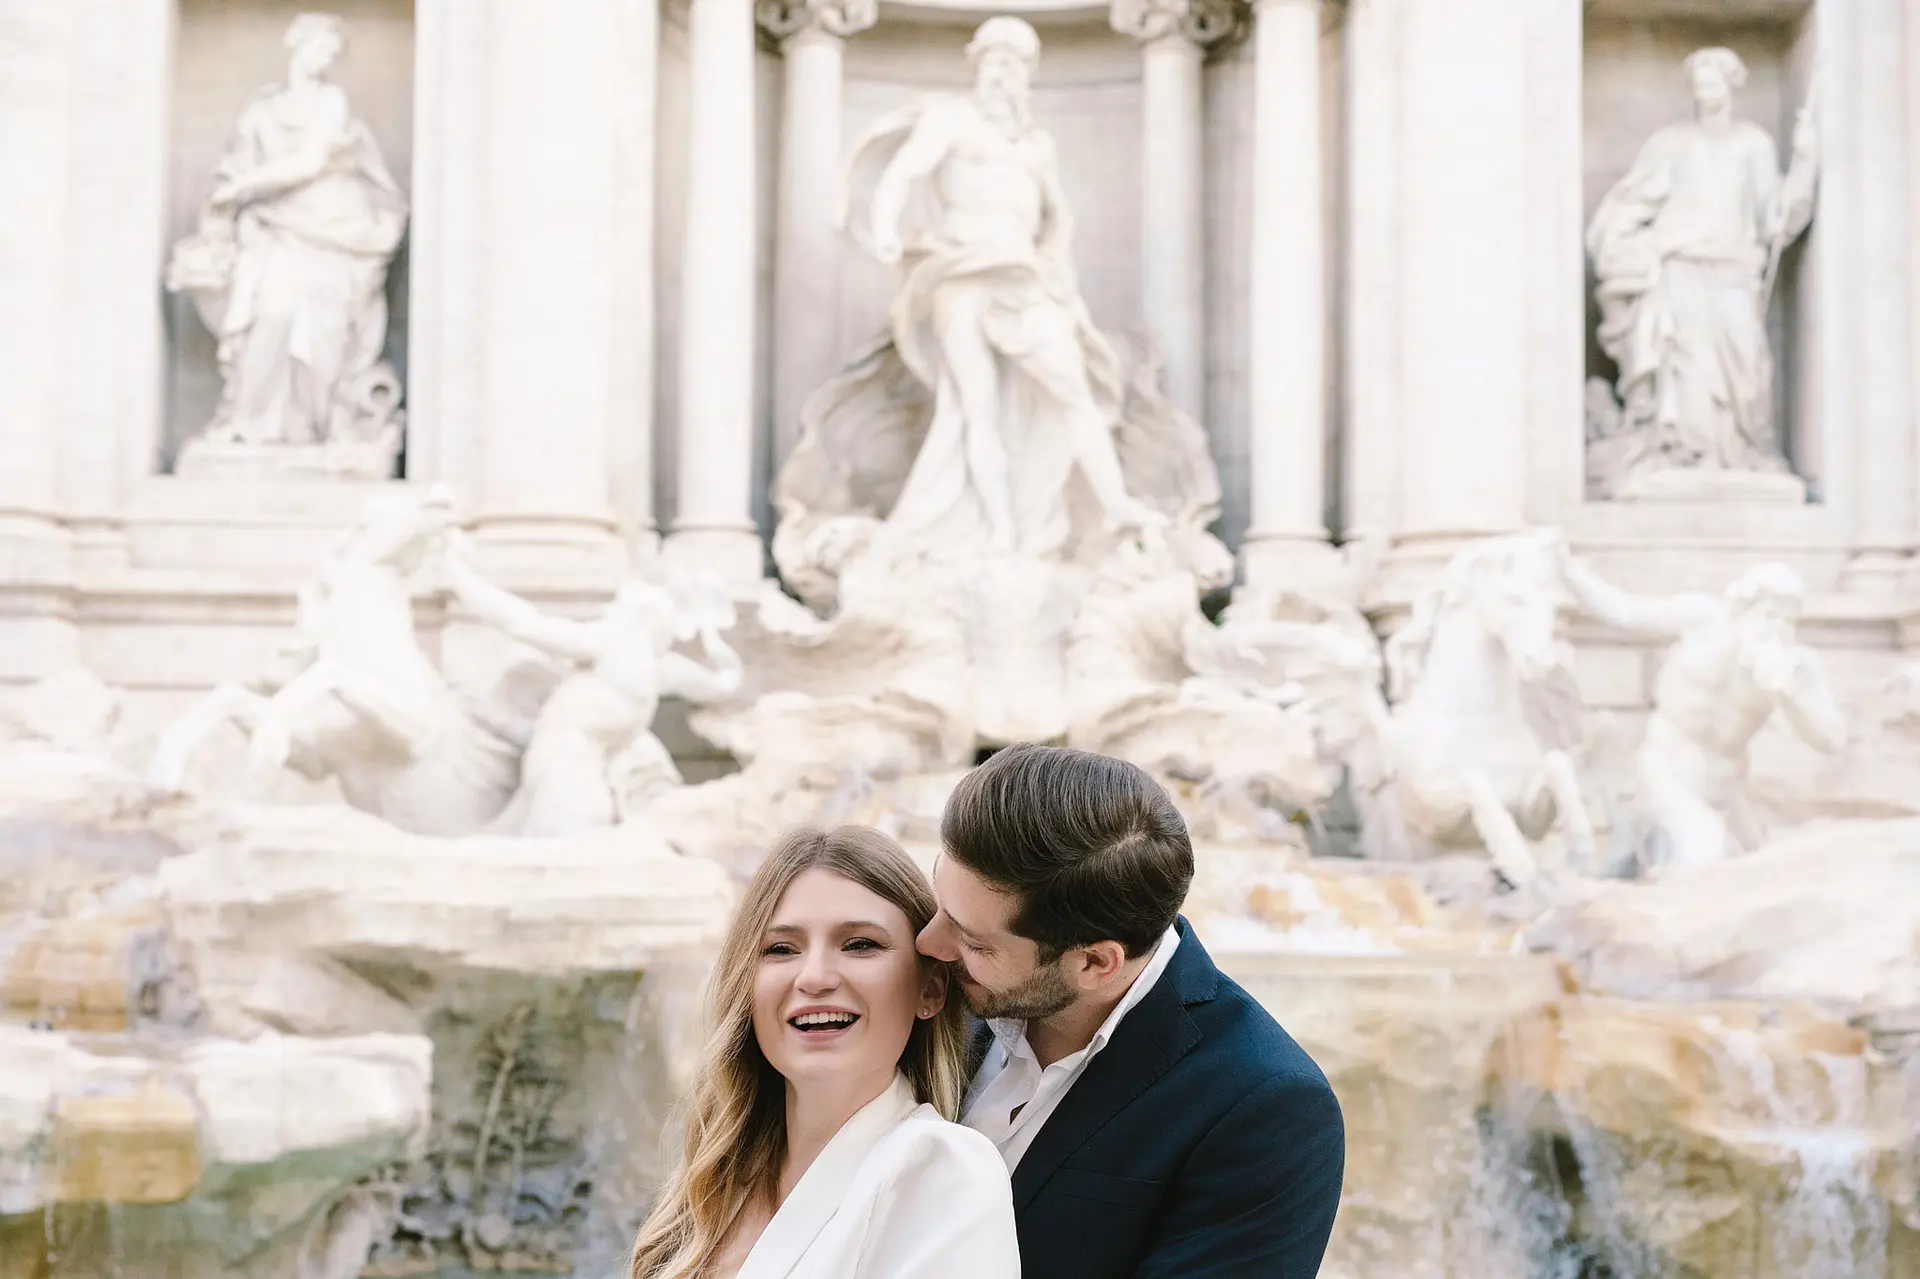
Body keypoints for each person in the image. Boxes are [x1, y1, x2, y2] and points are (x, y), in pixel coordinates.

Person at [918, 744, 1345, 1276]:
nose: (927, 942)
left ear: (1096, 962)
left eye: (975, 943)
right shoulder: (930, 998)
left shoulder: (1267, 1108)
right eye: (941, 900)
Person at [629, 826, 1020, 1279]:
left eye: (859, 944)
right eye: (781, 949)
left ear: (929, 989)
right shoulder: (712, 1185)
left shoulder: (942, 1168)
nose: (814, 977)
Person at [839, 16, 1167, 556]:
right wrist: (885, 230)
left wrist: (1059, 274)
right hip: (961, 276)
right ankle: (1000, 533)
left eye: (1014, 63)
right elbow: (903, 173)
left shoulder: (1036, 145)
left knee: (1074, 392)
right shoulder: (951, 120)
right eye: (993, 60)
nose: (1002, 73)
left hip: (1023, 278)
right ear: (977, 65)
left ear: (1028, 74)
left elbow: (1059, 217)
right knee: (975, 408)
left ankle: (1115, 505)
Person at [1586, 46, 1818, 490]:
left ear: (1731, 85)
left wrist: (1805, 162)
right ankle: (1683, 454)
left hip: (1733, 271)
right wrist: (1625, 243)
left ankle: (1741, 452)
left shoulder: (1754, 145)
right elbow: (1630, 203)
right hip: (1679, 270)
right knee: (1685, 369)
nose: (1704, 92)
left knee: (1744, 363)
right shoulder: (1671, 144)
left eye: (1712, 82)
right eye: (1698, 84)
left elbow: (1776, 217)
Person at [1559, 553, 1846, 871]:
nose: (1776, 627)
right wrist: (1570, 573)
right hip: (1667, 764)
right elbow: (1627, 612)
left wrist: (1790, 697)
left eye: (1787, 620)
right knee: (1703, 848)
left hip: (1726, 785)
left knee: (1758, 867)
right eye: (1769, 614)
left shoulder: (1795, 665)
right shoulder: (1704, 619)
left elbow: (1832, 740)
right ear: (1745, 606)